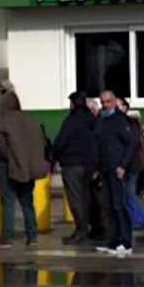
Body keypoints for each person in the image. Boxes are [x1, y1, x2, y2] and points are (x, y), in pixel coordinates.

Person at [0, 90, 48, 246]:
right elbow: (42, 142)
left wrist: (10, 157)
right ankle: (32, 236)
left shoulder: (1, 120)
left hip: (8, 166)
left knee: (8, 202)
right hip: (28, 168)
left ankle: (7, 237)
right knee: (27, 202)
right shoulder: (30, 121)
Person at [94, 91, 137, 256]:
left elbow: (132, 143)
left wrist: (123, 166)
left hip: (117, 169)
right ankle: (113, 241)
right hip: (105, 168)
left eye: (108, 102)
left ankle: (125, 242)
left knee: (119, 205)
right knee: (109, 207)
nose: (105, 105)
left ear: (114, 102)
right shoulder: (102, 120)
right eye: (103, 102)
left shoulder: (120, 121)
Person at [56, 91, 98, 244]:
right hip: (89, 165)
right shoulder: (92, 120)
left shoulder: (71, 121)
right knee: (87, 198)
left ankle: (81, 230)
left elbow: (61, 142)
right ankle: (92, 228)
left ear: (73, 104)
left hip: (72, 164)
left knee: (75, 199)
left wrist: (54, 155)